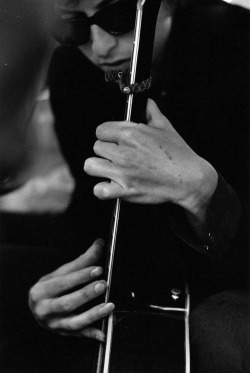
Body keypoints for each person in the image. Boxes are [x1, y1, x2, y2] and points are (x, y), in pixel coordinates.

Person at [7, 0, 250, 371]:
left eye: (117, 18)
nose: (100, 48)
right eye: (73, 25)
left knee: (222, 331)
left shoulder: (238, 41)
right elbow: (92, 212)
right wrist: (57, 294)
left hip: (226, 276)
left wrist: (201, 191)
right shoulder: (72, 66)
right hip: (143, 272)